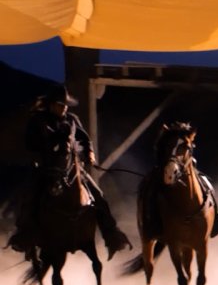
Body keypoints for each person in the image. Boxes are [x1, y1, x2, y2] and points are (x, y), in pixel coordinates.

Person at [7, 85, 131, 260]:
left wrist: (89, 153)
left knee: (98, 195)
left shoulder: (72, 120)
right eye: (60, 104)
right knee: (30, 196)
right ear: (51, 105)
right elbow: (29, 144)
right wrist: (48, 146)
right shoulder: (38, 120)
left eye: (65, 105)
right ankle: (24, 234)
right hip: (47, 169)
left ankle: (111, 234)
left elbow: (84, 138)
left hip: (72, 168)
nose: (63, 108)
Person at [139, 123, 218, 241]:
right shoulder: (166, 139)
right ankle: (152, 222)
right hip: (165, 167)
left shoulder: (187, 140)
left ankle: (217, 219)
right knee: (151, 189)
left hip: (185, 167)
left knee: (206, 183)